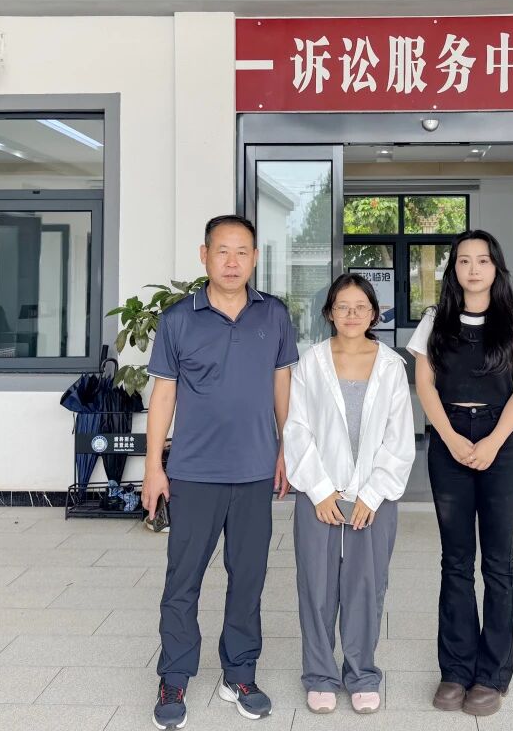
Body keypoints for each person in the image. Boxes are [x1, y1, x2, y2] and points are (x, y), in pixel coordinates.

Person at [142, 214, 299, 730]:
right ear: (204, 255)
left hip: (255, 471)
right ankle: (174, 676)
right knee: (182, 580)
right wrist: (154, 467)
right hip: (194, 472)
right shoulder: (178, 319)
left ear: (255, 258)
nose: (232, 262)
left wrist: (287, 448)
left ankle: (240, 673)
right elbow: (164, 394)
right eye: (222, 251)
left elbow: (281, 384)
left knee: (248, 578)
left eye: (242, 251)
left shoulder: (273, 314)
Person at [407, 230, 513, 718]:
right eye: (463, 261)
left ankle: (492, 674)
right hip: (449, 438)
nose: (472, 269)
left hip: (500, 442)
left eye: (482, 260)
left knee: (499, 563)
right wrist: (449, 437)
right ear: (454, 270)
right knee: (456, 560)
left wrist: (491, 442)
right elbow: (425, 386)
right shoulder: (434, 321)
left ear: (495, 268)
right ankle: (455, 670)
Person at [283, 274, 415, 716]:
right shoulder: (312, 362)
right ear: (329, 313)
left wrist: (372, 495)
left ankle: (361, 674)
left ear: (374, 313)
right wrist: (320, 491)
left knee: (366, 586)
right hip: (318, 494)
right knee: (316, 587)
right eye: (343, 306)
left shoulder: (391, 366)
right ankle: (320, 675)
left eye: (361, 307)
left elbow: (399, 439)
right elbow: (297, 430)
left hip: (373, 499)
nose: (352, 314)